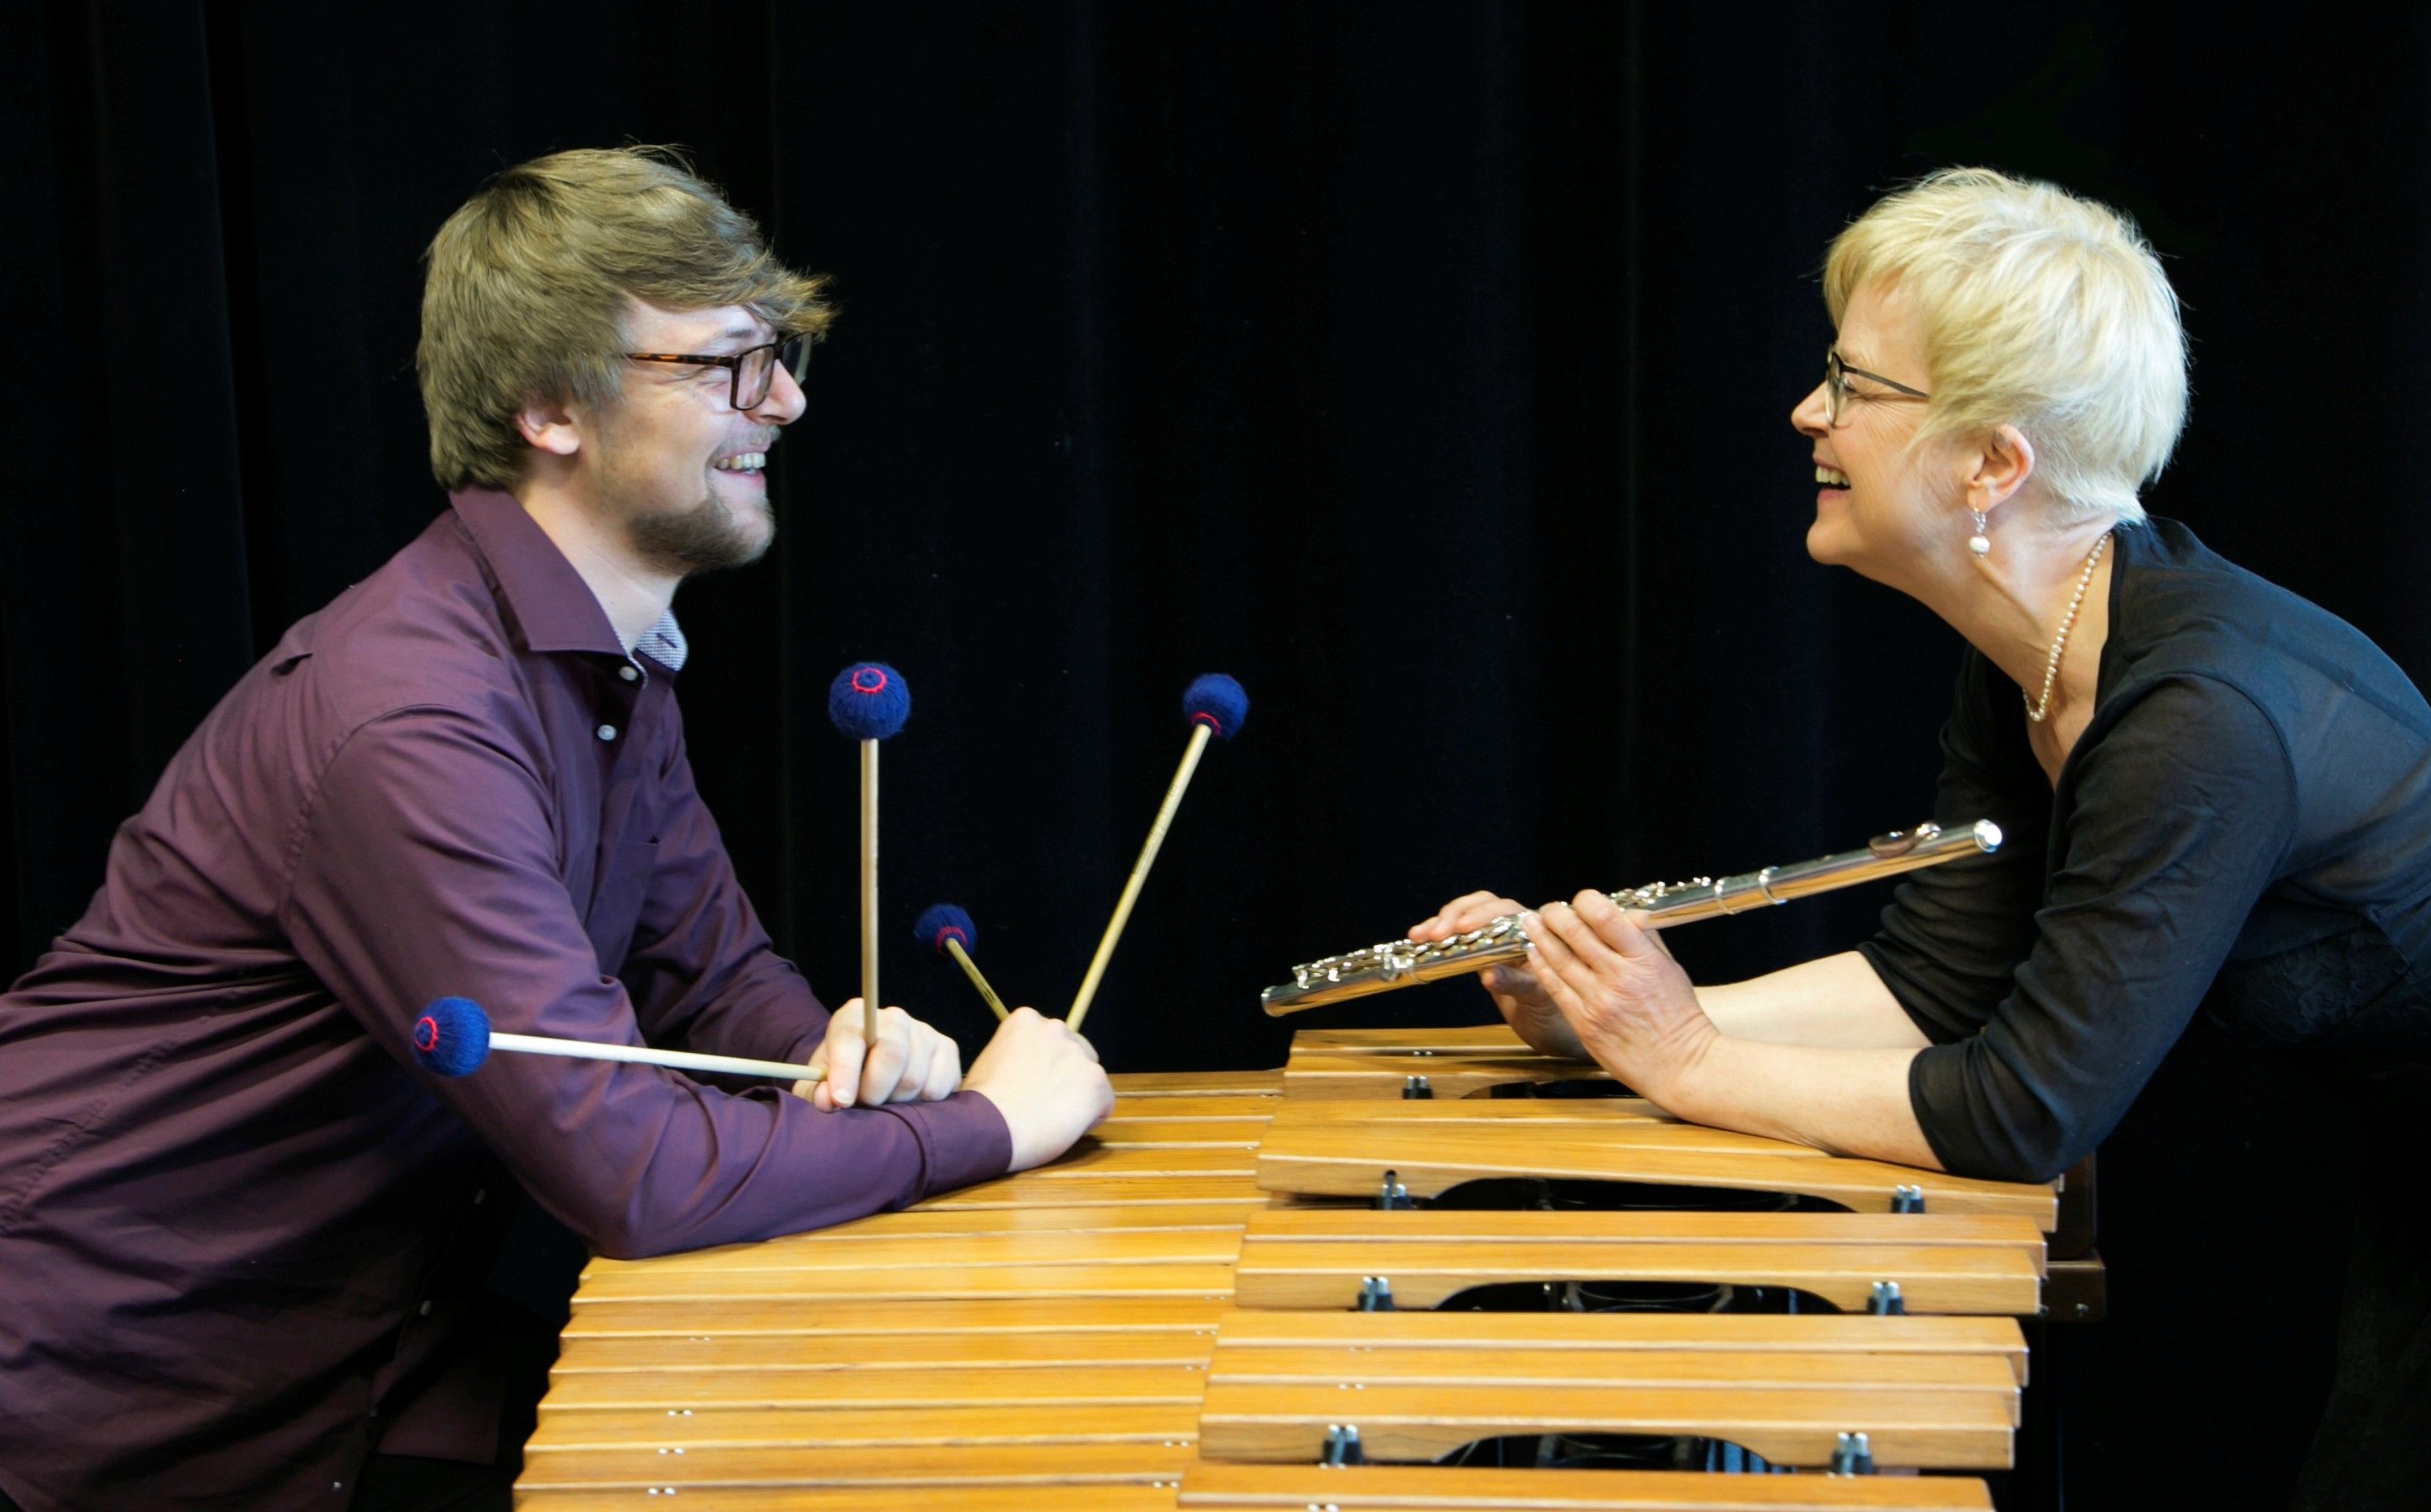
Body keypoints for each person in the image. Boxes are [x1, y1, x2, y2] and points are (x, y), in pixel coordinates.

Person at [0, 147, 1113, 1512]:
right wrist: (990, 1130)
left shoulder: (596, 658)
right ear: (548, 408)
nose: (788, 401)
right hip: (100, 1385)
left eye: (783, 354)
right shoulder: (411, 717)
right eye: (724, 365)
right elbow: (622, 1167)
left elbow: (707, 979)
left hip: (347, 1346)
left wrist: (837, 1048)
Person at [1413, 168, 2431, 1509]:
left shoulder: (2196, 719)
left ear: (1991, 465)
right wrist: (1620, 1012)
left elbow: (2023, 1109)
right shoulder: (2039, 648)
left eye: (1853, 385)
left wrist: (1685, 1056)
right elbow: (1930, 990)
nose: (1806, 412)